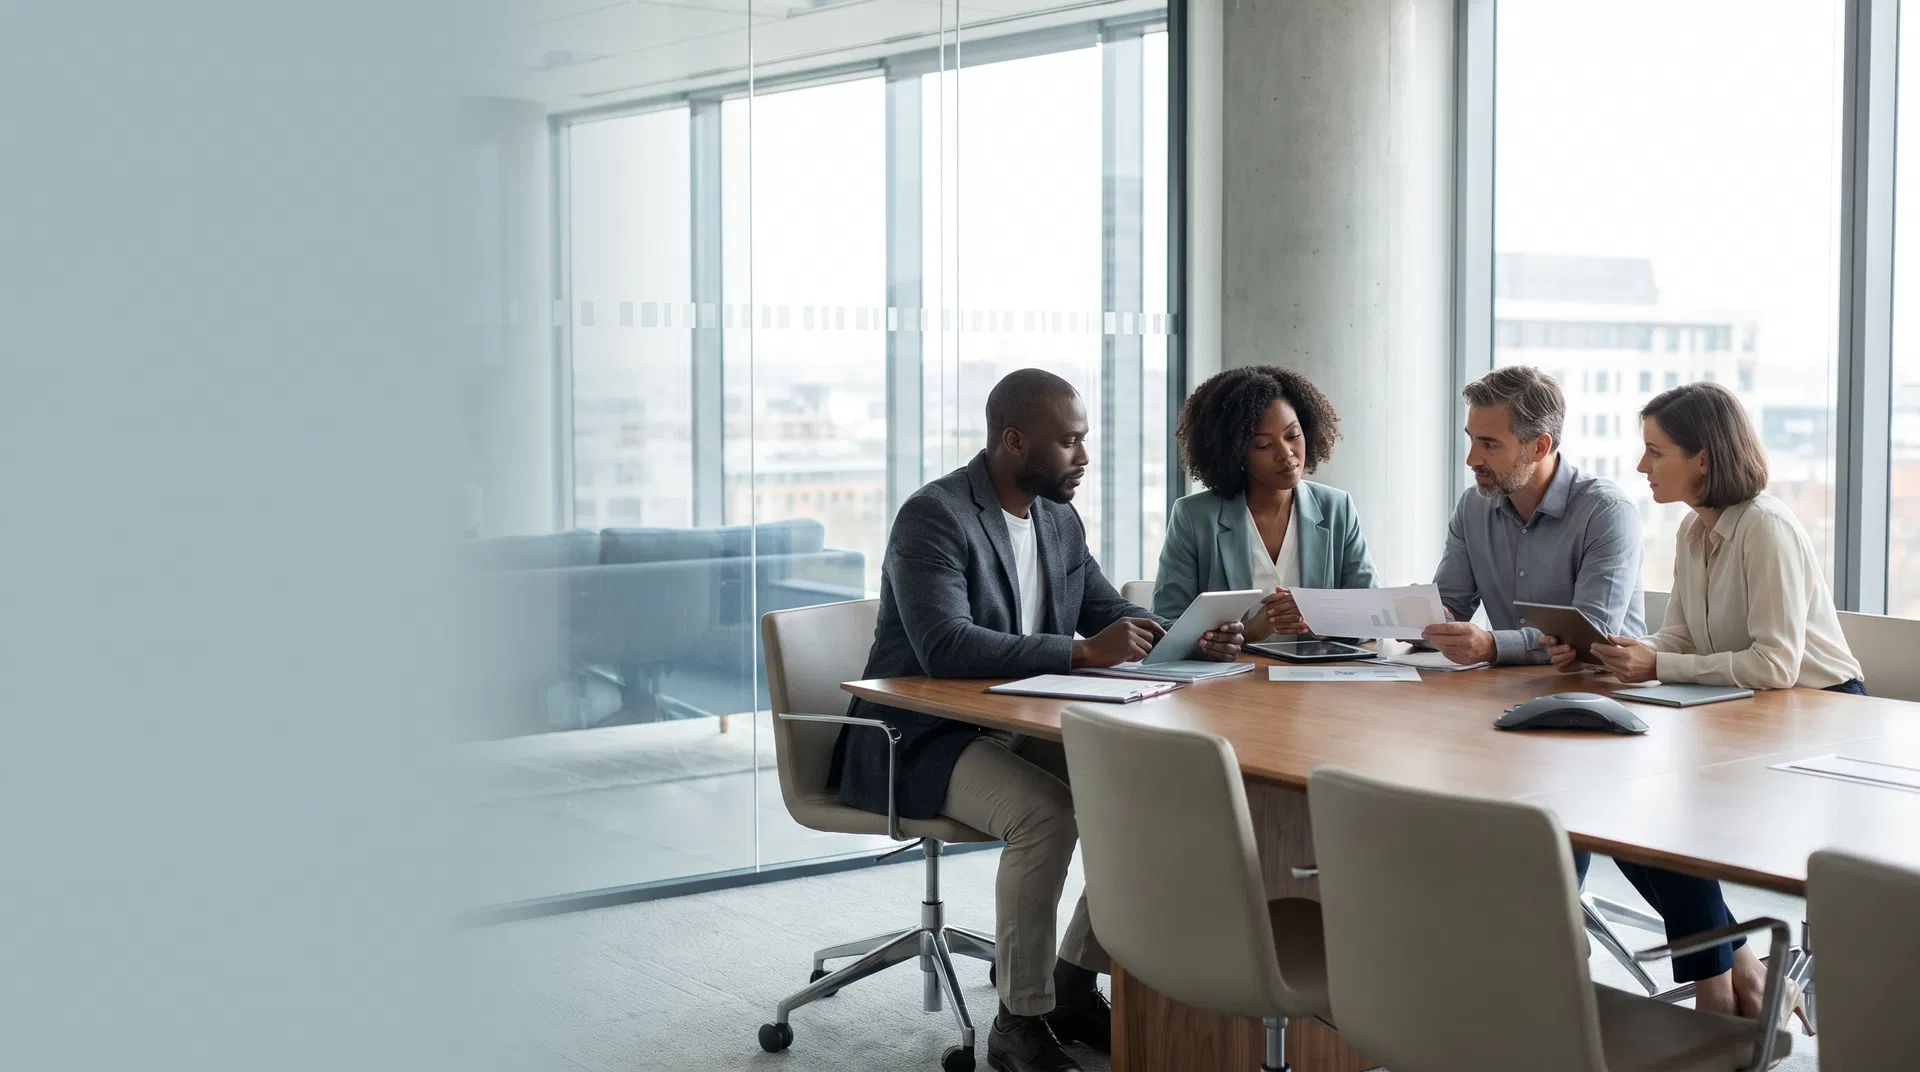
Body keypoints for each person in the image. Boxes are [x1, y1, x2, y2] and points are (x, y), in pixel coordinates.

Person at [828, 369, 1244, 1072]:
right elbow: (946, 645)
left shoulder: (1058, 519)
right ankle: (1018, 1023)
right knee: (1046, 815)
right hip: (921, 736)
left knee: (1153, 793)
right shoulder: (935, 516)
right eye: (1070, 443)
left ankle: (1073, 976)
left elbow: (1109, 613)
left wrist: (1188, 637)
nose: (1083, 458)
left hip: (1020, 724)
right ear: (1013, 440)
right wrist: (1082, 654)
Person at [1422, 366, 1776, 1024]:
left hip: (1613, 707)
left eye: (1489, 443)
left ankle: (1666, 984)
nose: (1472, 457)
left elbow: (1597, 628)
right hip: (1514, 710)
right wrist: (1406, 619)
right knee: (1610, 831)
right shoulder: (1474, 506)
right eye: (1470, 439)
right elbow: (1449, 602)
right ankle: (1733, 964)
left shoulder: (1605, 509)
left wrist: (1494, 644)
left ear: (1539, 446)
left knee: (1625, 827)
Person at [1577, 380, 1864, 702]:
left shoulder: (1764, 526)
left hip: (1826, 701)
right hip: (1753, 698)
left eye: (1655, 452)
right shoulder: (1691, 528)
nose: (1642, 466)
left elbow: (1776, 665)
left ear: (1703, 460)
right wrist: (1619, 655)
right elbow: (1681, 637)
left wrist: (1657, 666)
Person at [1153, 365, 1378, 633]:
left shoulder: (1336, 508)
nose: (1286, 454)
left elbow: (1371, 613)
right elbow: (1167, 624)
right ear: (1234, 452)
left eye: (1293, 436)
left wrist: (1319, 614)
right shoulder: (1194, 516)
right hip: (1232, 675)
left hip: (1317, 673)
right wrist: (1249, 631)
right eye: (1263, 445)